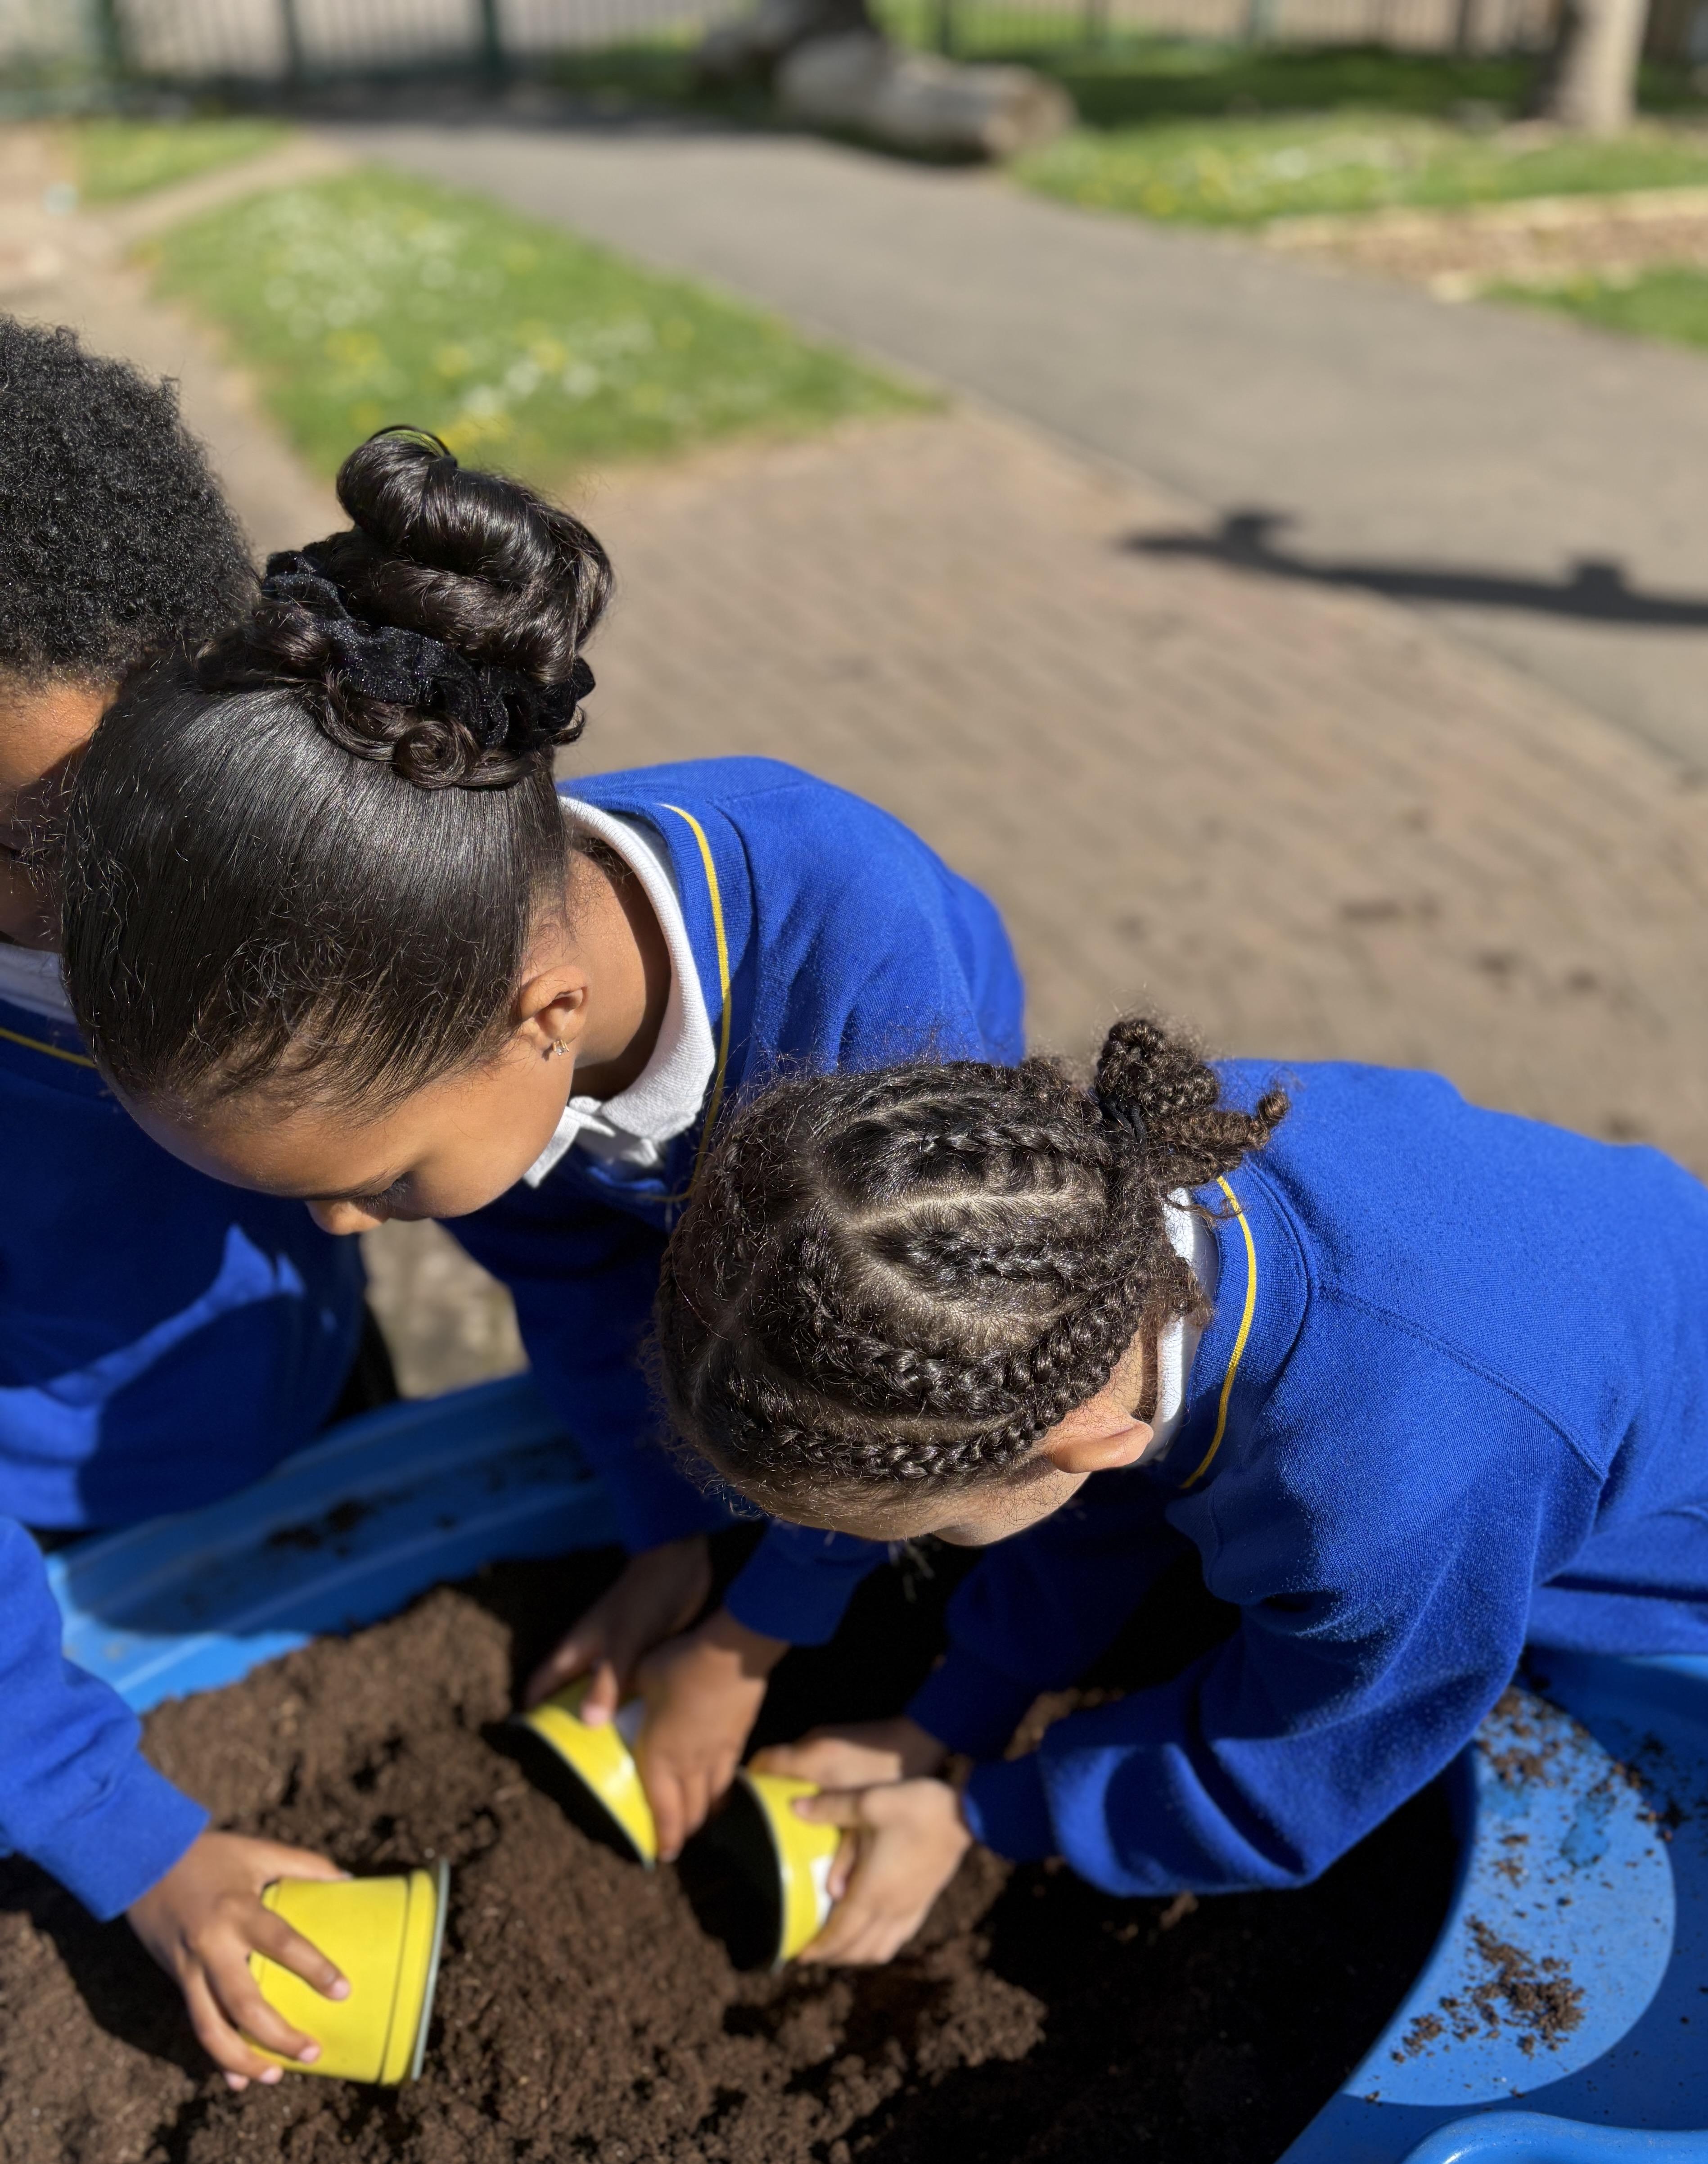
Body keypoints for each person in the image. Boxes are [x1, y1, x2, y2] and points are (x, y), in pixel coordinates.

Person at [61, 426, 1025, 1886]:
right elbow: (577, 1291)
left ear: (547, 1018)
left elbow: (892, 1388)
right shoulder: (453, 1032)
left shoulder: (856, 972)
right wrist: (663, 1534)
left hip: (906, 1272)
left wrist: (748, 1643)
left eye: (381, 1183)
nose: (345, 1228)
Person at [651, 1019, 1708, 1965]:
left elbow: (1311, 1754)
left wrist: (983, 1816)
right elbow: (1103, 1510)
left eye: (928, 1530)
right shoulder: (1114, 1203)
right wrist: (951, 1712)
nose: (934, 1545)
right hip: (1660, 1331)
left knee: (1622, 1838)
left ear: (1084, 1436)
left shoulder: (1378, 1491)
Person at [0, 321, 386, 2089]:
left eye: (108, 819)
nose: (88, 900)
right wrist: (124, 1834)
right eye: (31, 855)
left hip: (318, 1392)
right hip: (57, 1560)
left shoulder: (260, 843)